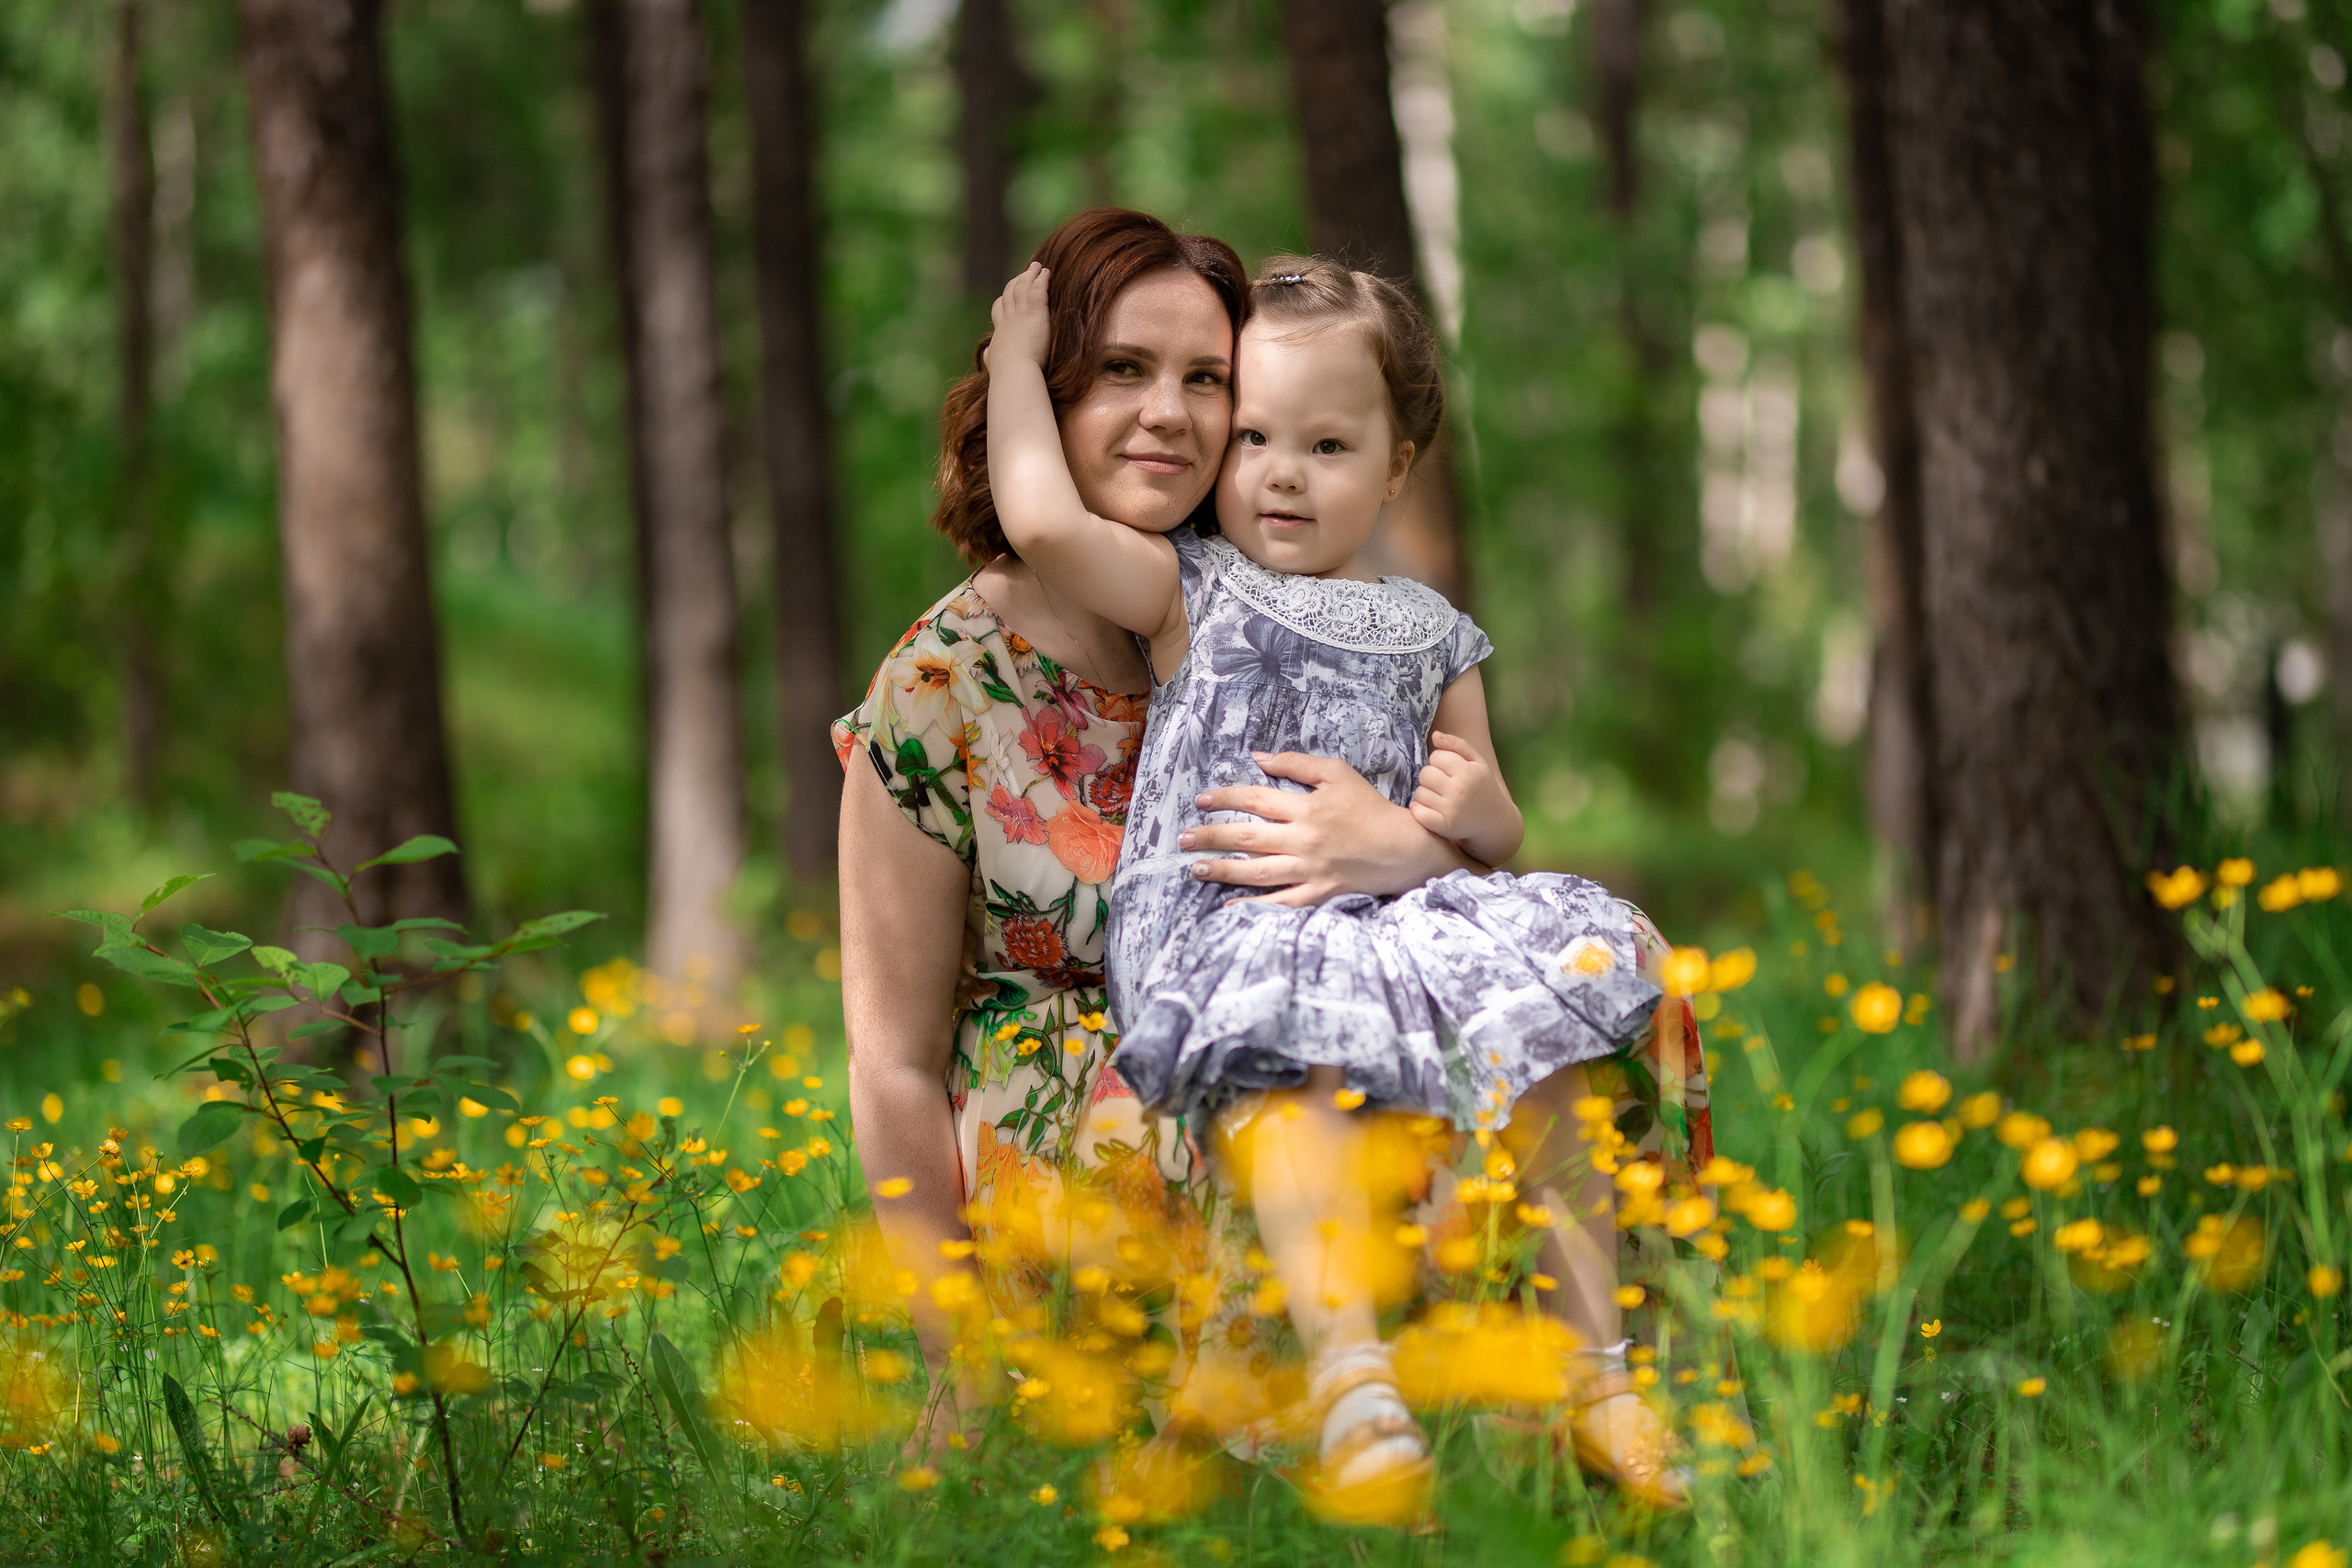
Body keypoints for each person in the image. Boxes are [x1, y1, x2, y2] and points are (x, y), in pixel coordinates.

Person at [982, 252, 1694, 1510]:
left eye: (1325, 445)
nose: (1279, 473)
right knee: (1291, 1076)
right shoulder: (1192, 587)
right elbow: (1042, 517)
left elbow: (1486, 811)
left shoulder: (1435, 630)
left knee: (1547, 1044)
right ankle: (1352, 1376)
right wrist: (1011, 361)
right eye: (1251, 436)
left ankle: (1603, 1375)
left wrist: (1482, 816)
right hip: (1234, 924)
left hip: (1405, 922)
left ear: (1396, 466)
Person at [835, 210, 1489, 1451]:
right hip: (1095, 1135)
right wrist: (954, 1362)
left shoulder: (1279, 610)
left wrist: (1402, 847)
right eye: (1124, 370)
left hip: (1317, 1036)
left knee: (1586, 1011)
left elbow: (1470, 833)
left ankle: (1563, 1422)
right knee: (1255, 1106)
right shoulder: (935, 692)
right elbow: (893, 1066)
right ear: (1044, 390)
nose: (1170, 413)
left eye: (1209, 380)